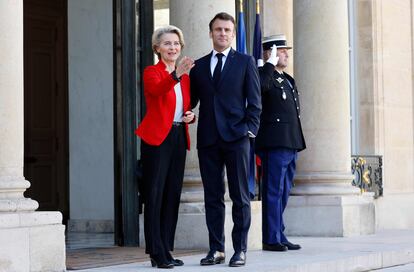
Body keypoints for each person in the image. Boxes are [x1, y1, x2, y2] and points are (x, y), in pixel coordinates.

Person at [190, 12, 261, 267]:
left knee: (240, 196)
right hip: (208, 139)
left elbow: (255, 103)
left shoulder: (245, 62)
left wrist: (248, 131)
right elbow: (192, 101)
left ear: (232, 34)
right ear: (211, 33)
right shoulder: (198, 66)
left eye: (227, 30)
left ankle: (240, 249)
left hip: (237, 138)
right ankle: (216, 249)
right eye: (218, 29)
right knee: (212, 196)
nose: (222, 33)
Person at [135, 25, 195, 269]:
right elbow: (156, 91)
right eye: (167, 44)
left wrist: (190, 114)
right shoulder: (153, 71)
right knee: (155, 194)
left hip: (179, 135)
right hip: (157, 138)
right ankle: (156, 252)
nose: (173, 47)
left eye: (176, 44)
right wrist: (175, 76)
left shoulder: (185, 78)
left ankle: (166, 249)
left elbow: (184, 106)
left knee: (172, 194)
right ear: (157, 48)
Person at [255, 34, 306, 252]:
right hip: (274, 142)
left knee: (284, 191)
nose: (286, 54)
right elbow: (259, 89)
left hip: (290, 141)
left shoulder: (287, 79)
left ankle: (279, 232)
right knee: (273, 191)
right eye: (281, 50)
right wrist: (268, 64)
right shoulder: (263, 75)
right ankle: (270, 237)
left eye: (285, 51)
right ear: (270, 53)